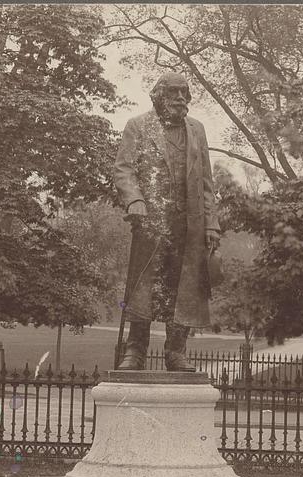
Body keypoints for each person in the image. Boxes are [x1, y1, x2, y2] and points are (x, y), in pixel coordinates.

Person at [114, 72, 221, 371]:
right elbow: (123, 170)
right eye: (173, 92)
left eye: (184, 92)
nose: (180, 98)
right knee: (143, 286)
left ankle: (176, 351)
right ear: (158, 95)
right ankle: (135, 350)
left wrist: (212, 223)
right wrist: (135, 199)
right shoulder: (138, 126)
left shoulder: (197, 130)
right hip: (151, 223)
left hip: (190, 225)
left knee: (184, 288)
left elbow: (206, 182)